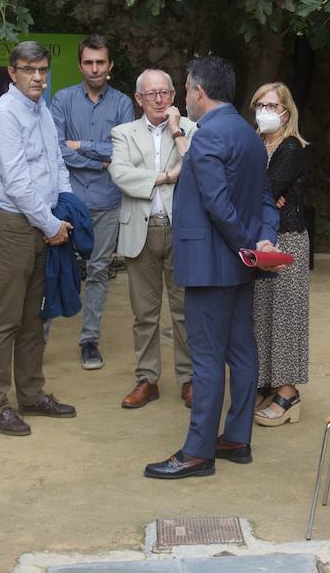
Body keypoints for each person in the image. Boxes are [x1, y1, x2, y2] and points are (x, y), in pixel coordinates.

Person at [144, 56, 280, 480]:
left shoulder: (205, 138)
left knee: (205, 359)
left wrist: (244, 244)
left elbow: (217, 205)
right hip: (241, 265)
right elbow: (265, 197)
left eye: (185, 89)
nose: (185, 96)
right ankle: (236, 438)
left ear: (199, 92)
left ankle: (198, 451)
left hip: (209, 263)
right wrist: (262, 240)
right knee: (242, 351)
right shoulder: (249, 135)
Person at [0, 41, 78, 436]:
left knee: (36, 317)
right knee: (5, 319)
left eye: (42, 69)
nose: (37, 77)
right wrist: (50, 224)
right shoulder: (3, 114)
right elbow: (17, 182)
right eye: (28, 69)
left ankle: (32, 395)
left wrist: (65, 208)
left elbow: (56, 163)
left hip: (43, 222)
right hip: (14, 223)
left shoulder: (42, 111)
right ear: (12, 72)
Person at [110, 68, 196, 409]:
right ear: (138, 99)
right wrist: (165, 177)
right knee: (144, 313)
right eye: (151, 94)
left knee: (184, 311)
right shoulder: (123, 133)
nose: (159, 99)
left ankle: (189, 379)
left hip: (182, 231)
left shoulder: (190, 129)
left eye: (165, 93)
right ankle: (147, 379)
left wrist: (176, 129)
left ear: (174, 96)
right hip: (140, 230)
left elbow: (196, 166)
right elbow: (121, 175)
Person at [49, 34, 136, 370]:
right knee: (55, 268)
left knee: (99, 271)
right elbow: (56, 148)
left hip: (107, 201)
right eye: (88, 62)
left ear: (110, 65)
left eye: (101, 62)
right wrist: (97, 155)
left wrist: (79, 146)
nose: (95, 68)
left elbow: (122, 152)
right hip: (68, 199)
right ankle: (38, 339)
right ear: (79, 65)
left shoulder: (123, 103)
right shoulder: (62, 99)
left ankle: (89, 340)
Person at [250, 82, 312, 427]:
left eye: (272, 105)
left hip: (287, 241)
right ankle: (263, 384)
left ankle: (288, 393)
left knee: (286, 316)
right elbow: (253, 191)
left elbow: (265, 189)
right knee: (259, 314)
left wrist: (263, 197)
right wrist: (262, 198)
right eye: (259, 104)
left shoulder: (291, 147)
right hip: (261, 240)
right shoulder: (256, 144)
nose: (264, 111)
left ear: (286, 112)